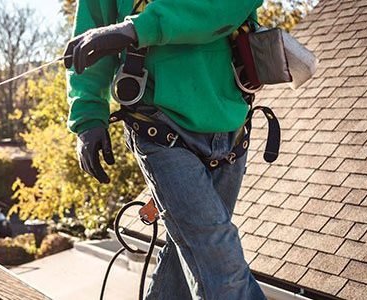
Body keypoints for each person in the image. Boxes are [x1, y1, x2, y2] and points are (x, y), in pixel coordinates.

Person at [65, 0, 267, 299]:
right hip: (158, 127)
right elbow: (90, 39)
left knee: (189, 255)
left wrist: (136, 29)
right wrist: (88, 115)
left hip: (231, 128)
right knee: (219, 261)